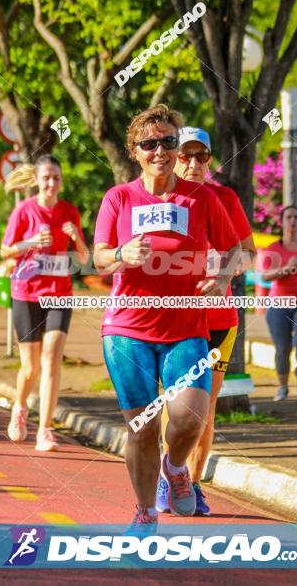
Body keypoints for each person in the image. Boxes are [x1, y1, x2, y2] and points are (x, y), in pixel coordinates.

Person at [93, 105, 241, 533]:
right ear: (135, 152)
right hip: (127, 331)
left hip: (186, 327)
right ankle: (144, 510)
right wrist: (122, 255)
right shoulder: (118, 198)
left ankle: (176, 468)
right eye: (150, 144)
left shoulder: (203, 198)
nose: (161, 150)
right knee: (141, 429)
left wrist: (222, 278)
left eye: (168, 142)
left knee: (191, 416)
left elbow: (234, 250)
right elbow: (99, 258)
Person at [155, 126, 256, 516]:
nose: (194, 164)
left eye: (202, 157)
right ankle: (169, 477)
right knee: (179, 408)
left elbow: (249, 253)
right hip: (177, 321)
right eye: (185, 155)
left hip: (220, 321)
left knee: (206, 409)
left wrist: (226, 274)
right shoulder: (163, 199)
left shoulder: (225, 198)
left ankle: (192, 484)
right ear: (172, 157)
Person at [0, 156, 88, 451]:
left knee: (51, 357)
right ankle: (20, 406)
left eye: (56, 178)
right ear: (37, 180)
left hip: (59, 294)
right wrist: (31, 243)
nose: (51, 183)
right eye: (46, 178)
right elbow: (5, 251)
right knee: (30, 367)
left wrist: (77, 238)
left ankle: (45, 430)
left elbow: (85, 258)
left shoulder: (69, 212)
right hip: (26, 293)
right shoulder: (24, 211)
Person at [259, 205, 297, 401]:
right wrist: (287, 268)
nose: (292, 221)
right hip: (279, 303)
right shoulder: (274, 248)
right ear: (283, 221)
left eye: (296, 217)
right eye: (289, 217)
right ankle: (282, 387)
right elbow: (266, 275)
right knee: (283, 347)